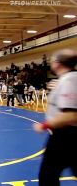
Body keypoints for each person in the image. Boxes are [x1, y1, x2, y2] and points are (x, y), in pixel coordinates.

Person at [33, 49, 77, 185]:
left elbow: (71, 115)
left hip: (66, 135)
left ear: (57, 64)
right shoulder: (67, 79)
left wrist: (45, 125)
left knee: (47, 176)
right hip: (66, 135)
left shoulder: (69, 79)